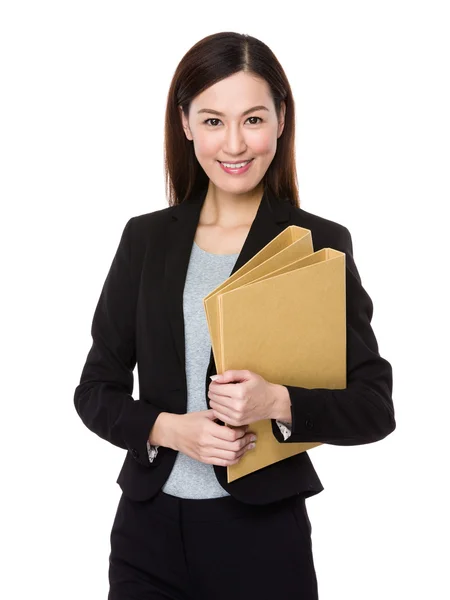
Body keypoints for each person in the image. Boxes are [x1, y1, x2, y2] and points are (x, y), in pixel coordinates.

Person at [74, 31, 396, 600]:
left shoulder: (318, 243)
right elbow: (95, 391)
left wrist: (278, 402)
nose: (235, 143)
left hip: (264, 538)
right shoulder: (146, 239)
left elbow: (374, 406)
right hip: (148, 538)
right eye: (214, 120)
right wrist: (170, 430)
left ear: (280, 119)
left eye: (252, 119)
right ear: (186, 123)